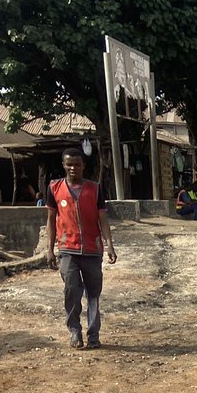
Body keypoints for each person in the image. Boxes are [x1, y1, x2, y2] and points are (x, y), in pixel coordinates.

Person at [45, 148, 116, 350]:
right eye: (69, 164)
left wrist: (109, 244)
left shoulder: (95, 189)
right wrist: (49, 249)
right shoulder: (54, 188)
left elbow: (103, 218)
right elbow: (50, 220)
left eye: (77, 164)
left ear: (83, 166)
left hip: (93, 250)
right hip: (68, 249)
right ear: (64, 165)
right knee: (72, 291)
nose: (73, 168)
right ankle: (75, 331)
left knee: (93, 294)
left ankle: (93, 335)